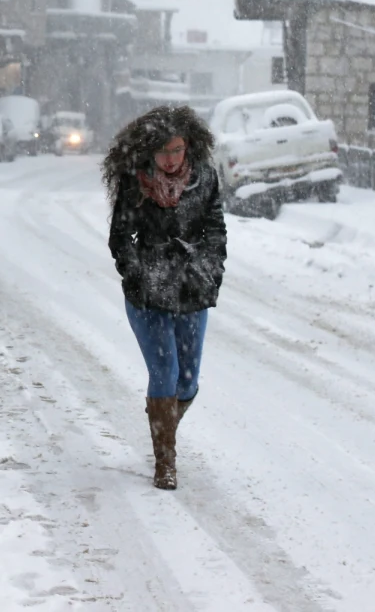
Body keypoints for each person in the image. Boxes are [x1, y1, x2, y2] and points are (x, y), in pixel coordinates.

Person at [102, 106, 227, 490]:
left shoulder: (204, 177)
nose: (172, 160)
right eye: (163, 153)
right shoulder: (134, 182)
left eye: (177, 150)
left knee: (187, 382)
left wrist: (209, 269)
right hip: (148, 294)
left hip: (191, 289)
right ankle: (165, 462)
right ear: (149, 154)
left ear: (188, 147)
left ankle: (164, 419)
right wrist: (139, 275)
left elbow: (215, 230)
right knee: (165, 374)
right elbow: (121, 239)